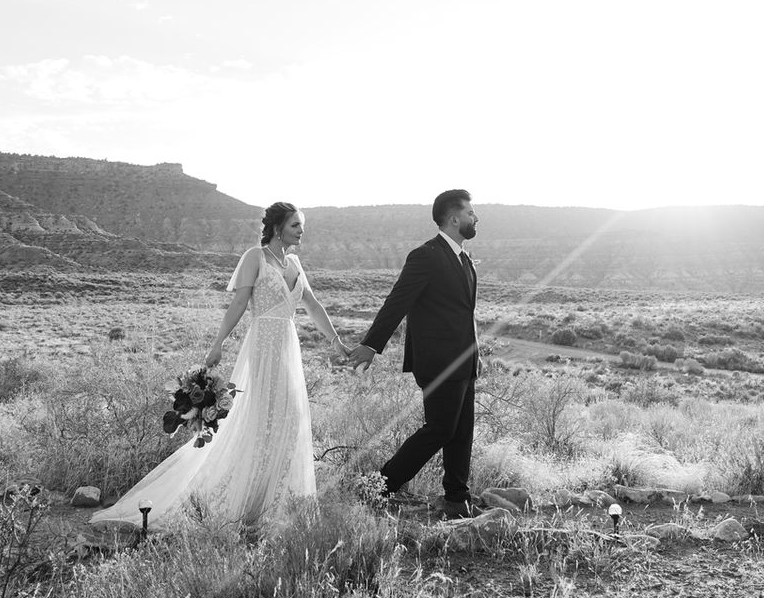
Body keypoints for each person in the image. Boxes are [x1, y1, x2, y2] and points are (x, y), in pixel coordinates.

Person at [90, 202, 349, 531]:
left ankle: (277, 498)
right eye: (295, 224)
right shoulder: (254, 258)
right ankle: (242, 498)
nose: (301, 230)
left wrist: (337, 342)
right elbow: (239, 304)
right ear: (278, 227)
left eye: (302, 225)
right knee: (262, 417)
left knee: (290, 417)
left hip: (288, 346)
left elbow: (312, 305)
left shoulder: (295, 263)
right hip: (263, 345)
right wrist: (218, 343)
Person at [346, 190, 480, 519]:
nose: (476, 218)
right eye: (471, 213)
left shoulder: (465, 257)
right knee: (439, 429)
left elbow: (465, 312)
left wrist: (477, 353)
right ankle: (377, 486)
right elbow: (398, 301)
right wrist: (372, 344)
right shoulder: (426, 256)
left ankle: (456, 497)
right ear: (453, 218)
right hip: (438, 361)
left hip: (464, 360)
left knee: (462, 430)